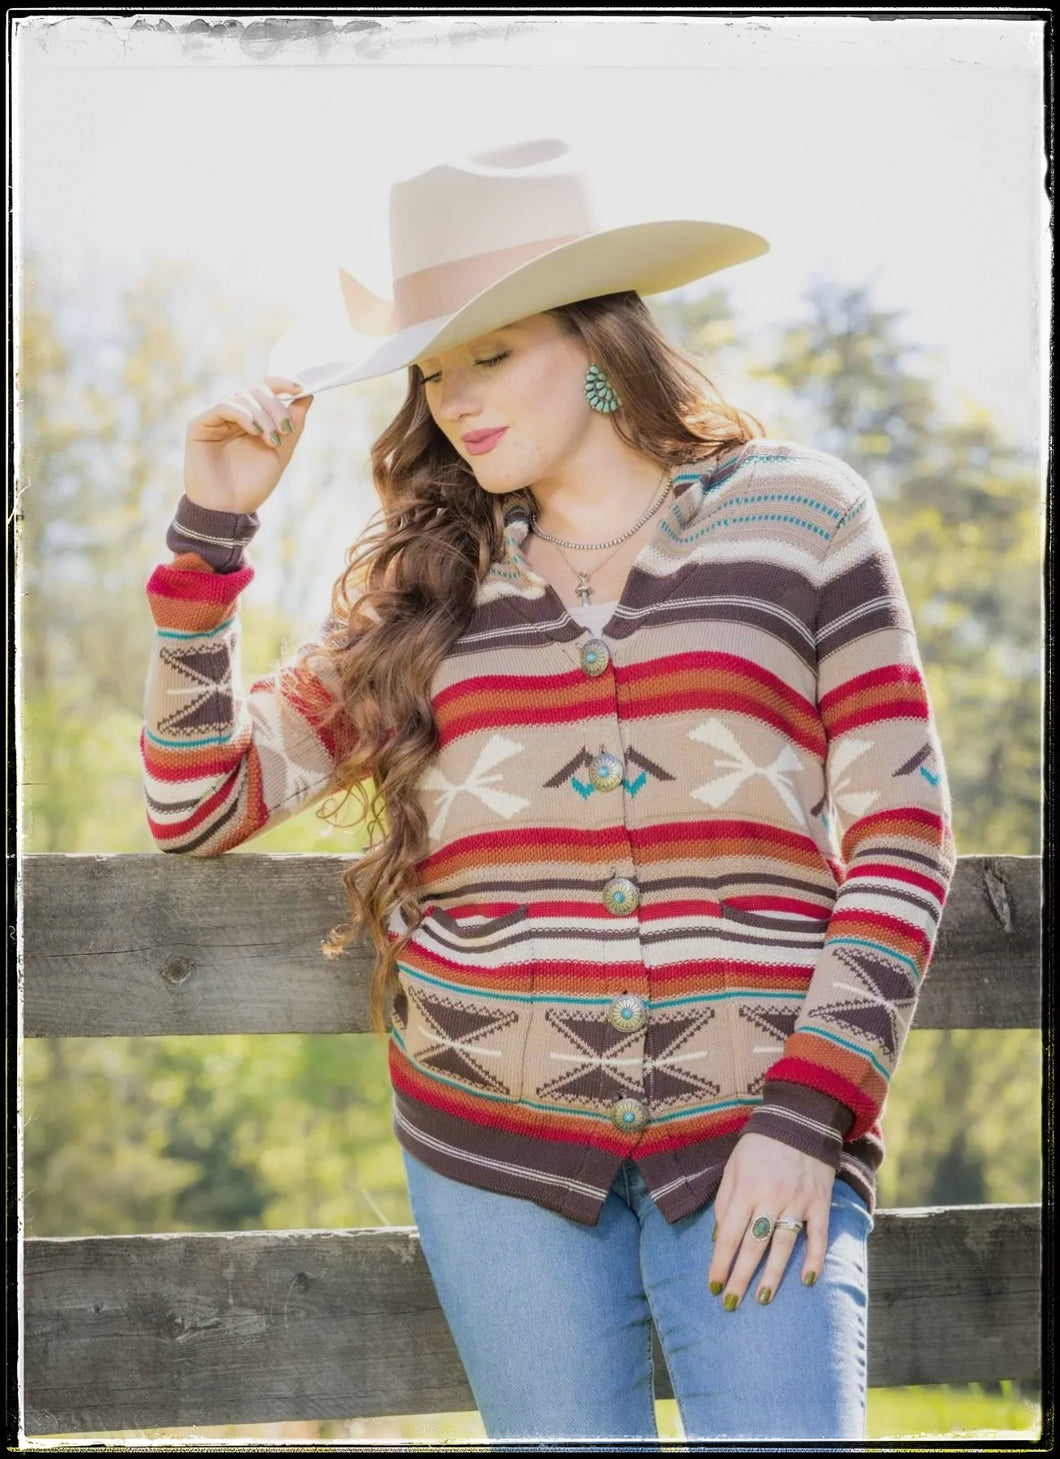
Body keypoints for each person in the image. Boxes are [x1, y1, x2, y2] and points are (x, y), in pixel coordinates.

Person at [140, 138, 956, 1447]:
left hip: (765, 1128)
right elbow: (196, 803)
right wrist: (208, 534)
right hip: (493, 1155)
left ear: (596, 342)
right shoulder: (425, 595)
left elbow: (905, 841)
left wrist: (809, 1117)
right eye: (434, 369)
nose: (457, 399)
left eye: (493, 350)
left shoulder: (803, 519)